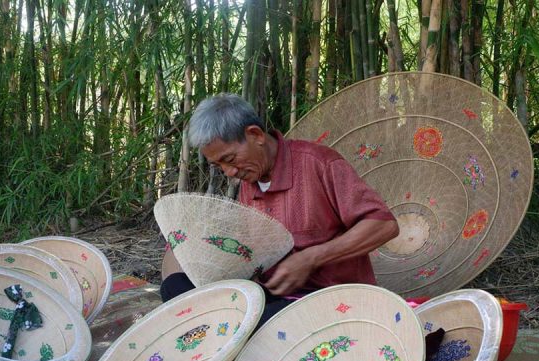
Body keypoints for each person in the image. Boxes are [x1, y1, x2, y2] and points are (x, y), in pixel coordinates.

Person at [160, 93, 399, 329]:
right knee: (176, 288)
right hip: (273, 295)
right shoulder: (248, 181)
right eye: (218, 166)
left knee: (250, 324)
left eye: (230, 159)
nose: (229, 172)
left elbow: (383, 225)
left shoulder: (318, 164)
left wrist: (311, 258)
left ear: (255, 135)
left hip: (330, 300)